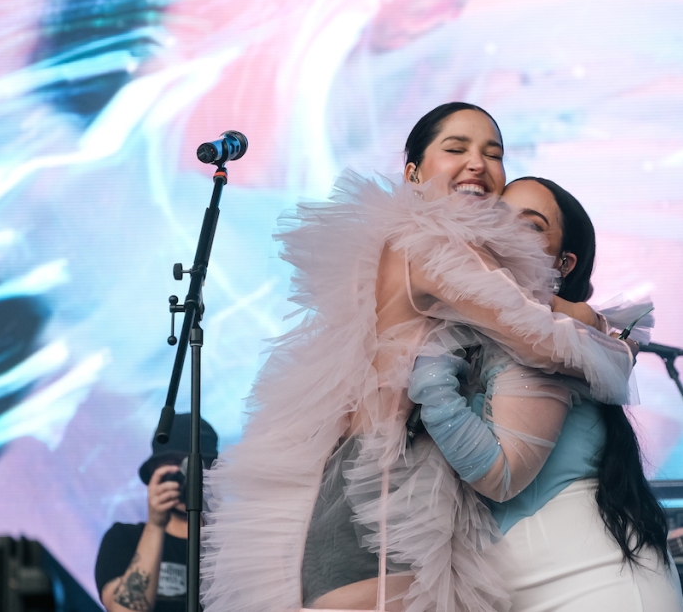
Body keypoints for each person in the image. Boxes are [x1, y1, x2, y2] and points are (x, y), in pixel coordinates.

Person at [201, 103, 636, 612]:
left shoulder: (456, 255)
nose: (477, 163)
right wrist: (608, 333)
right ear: (413, 174)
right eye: (456, 149)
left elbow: (519, 307)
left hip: (398, 501)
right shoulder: (426, 245)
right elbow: (535, 335)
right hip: (380, 499)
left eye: (493, 154)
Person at [406, 176, 683, 611]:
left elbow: (500, 477)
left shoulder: (550, 342)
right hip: (518, 584)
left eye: (532, 225)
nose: (506, 231)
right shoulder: (503, 330)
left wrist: (430, 374)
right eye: (498, 216)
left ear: (564, 263)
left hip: (593, 586)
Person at [95, 414, 219, 612]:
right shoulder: (124, 538)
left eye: (192, 466)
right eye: (174, 464)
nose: (184, 476)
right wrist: (155, 524)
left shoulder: (231, 545)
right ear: (155, 471)